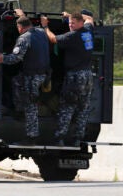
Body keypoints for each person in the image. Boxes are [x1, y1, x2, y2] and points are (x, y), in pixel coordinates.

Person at [40, 10, 94, 147]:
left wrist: (45, 26)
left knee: (67, 107)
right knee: (83, 108)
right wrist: (70, 15)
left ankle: (60, 138)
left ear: (80, 23)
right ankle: (78, 139)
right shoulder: (88, 31)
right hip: (87, 76)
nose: (71, 25)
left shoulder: (72, 36)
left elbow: (53, 39)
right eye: (70, 23)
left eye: (74, 23)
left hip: (75, 77)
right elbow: (90, 19)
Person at [0, 13, 50, 145]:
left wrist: (2, 58)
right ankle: (19, 110)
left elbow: (16, 58)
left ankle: (32, 137)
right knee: (16, 81)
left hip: (32, 76)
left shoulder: (24, 38)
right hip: (43, 74)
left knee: (30, 104)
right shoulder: (41, 32)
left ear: (20, 28)